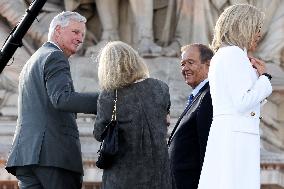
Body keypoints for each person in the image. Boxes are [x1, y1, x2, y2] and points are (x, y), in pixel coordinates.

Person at [5, 11, 99, 189]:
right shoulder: (55, 57)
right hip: (52, 157)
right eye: (75, 32)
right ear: (57, 30)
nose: (80, 39)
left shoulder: (34, 60)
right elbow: (62, 99)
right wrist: (108, 100)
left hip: (26, 157)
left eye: (82, 34)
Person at [198, 4, 273, 189]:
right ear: (244, 25)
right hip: (237, 138)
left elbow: (242, 101)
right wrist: (265, 78)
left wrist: (257, 79)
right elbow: (242, 102)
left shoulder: (225, 54)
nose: (259, 33)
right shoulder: (233, 54)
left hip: (229, 133)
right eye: (257, 27)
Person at [93, 41, 173, 188]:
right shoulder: (161, 87)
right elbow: (166, 119)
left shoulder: (109, 96)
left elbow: (99, 134)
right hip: (159, 174)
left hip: (123, 177)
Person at [168, 43, 214, 189]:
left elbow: (206, 146)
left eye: (190, 62)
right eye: (182, 64)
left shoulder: (209, 96)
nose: (184, 68)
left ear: (208, 65)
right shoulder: (198, 96)